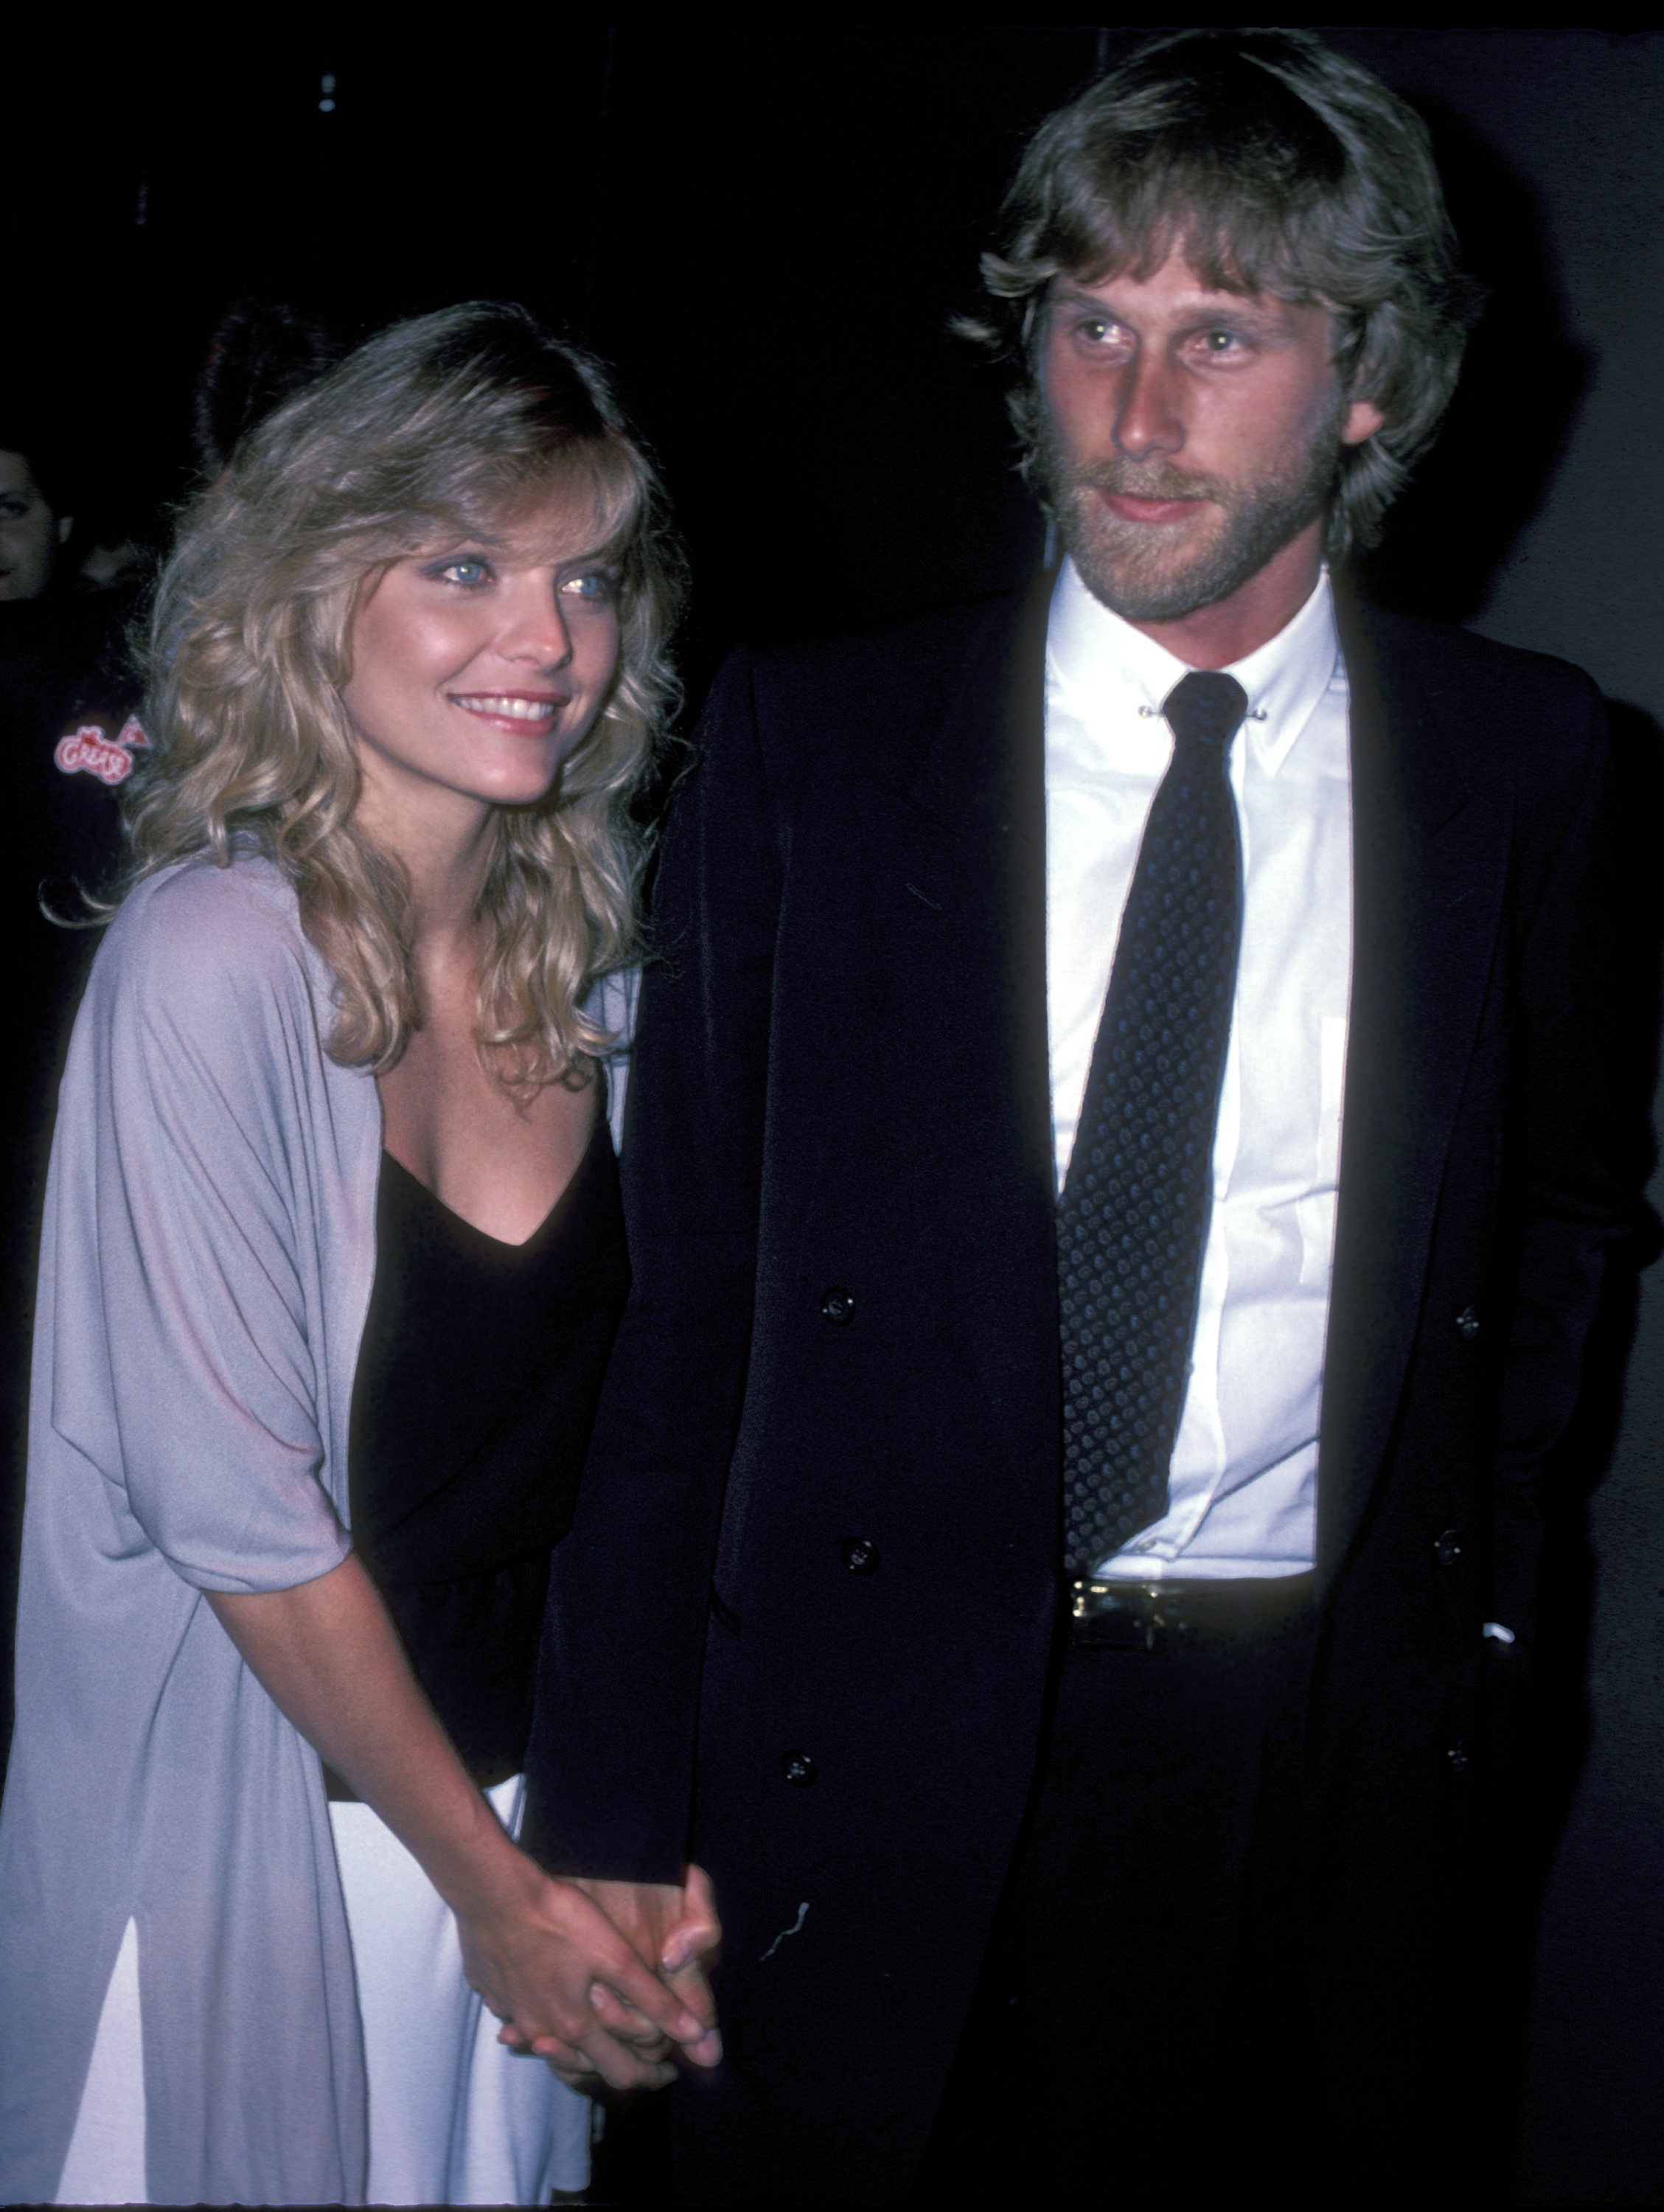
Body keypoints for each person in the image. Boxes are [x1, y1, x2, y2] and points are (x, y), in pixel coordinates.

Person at [518, 30, 1631, 2206]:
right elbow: (676, 1322)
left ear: (1372, 382)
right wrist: (608, 1819)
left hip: (1302, 1769)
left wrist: (1482, 1655)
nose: (1130, 417)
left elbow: (1561, 1238)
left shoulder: (1530, 765)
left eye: (1219, 335)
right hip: (854, 1742)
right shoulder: (819, 747)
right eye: (1086, 326)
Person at [0, 302, 721, 2210]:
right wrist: (494, 1894)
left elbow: (651, 1456)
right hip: (255, 1837)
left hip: (506, 1824)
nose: (544, 640)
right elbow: (244, 1517)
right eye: (466, 565)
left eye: (585, 579)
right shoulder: (211, 959)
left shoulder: (610, 988)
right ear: (318, 587)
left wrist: (608, 1848)